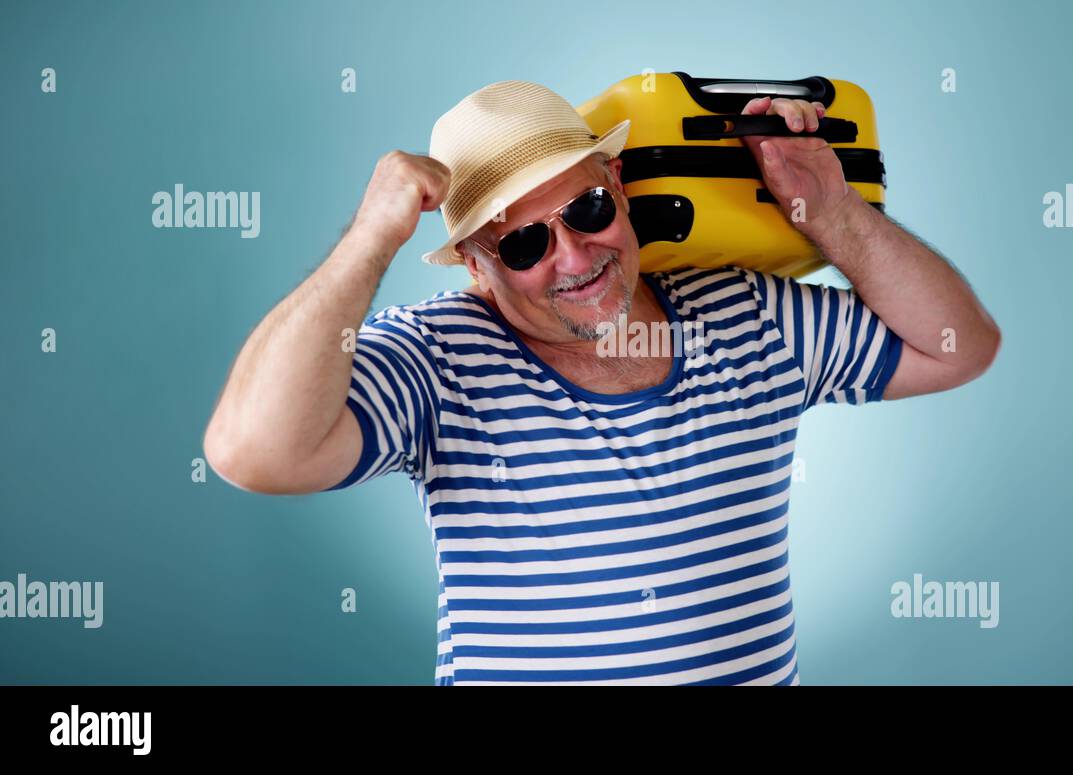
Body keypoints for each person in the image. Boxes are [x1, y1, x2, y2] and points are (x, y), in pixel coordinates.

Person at [203, 80, 1001, 685]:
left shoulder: (744, 310)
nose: (576, 257)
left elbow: (956, 346)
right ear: (478, 267)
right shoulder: (437, 357)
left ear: (618, 183)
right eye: (522, 245)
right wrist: (369, 241)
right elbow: (252, 451)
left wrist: (832, 214)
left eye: (587, 206)